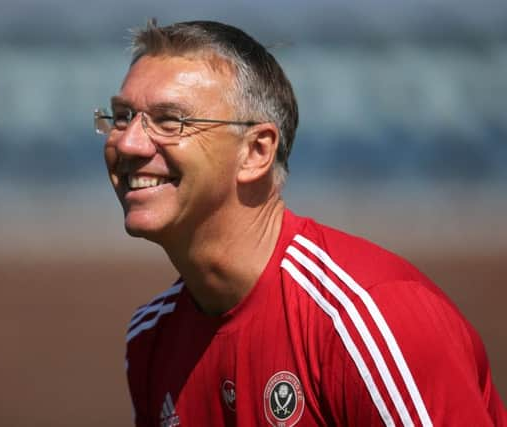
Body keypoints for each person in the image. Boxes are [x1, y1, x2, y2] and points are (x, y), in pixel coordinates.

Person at [96, 19, 506, 427]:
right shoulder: (151, 338)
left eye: (171, 121)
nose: (129, 143)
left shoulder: (364, 317)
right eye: (121, 116)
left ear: (256, 151)